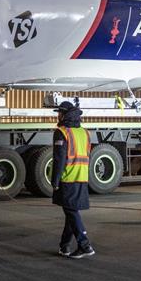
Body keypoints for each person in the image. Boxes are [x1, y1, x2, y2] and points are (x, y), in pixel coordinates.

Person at [52, 101, 95, 259]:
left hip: (68, 177)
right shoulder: (85, 132)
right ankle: (64, 246)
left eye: (59, 113)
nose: (58, 115)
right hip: (82, 176)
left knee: (71, 211)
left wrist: (55, 181)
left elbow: (59, 159)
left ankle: (85, 245)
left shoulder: (62, 132)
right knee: (70, 210)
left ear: (63, 114)